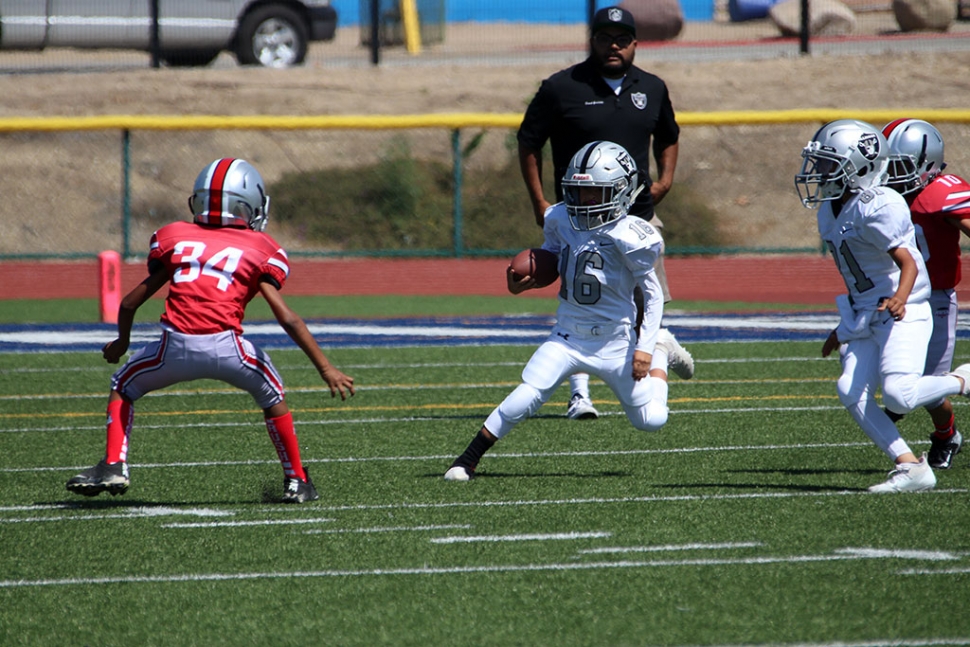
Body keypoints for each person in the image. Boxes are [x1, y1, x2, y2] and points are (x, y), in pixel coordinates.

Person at [65, 158, 355, 503]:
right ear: (250, 205)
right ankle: (297, 481)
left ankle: (114, 464)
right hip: (229, 348)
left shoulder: (175, 237)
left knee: (123, 386)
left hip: (172, 348)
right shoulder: (260, 248)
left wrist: (121, 343)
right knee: (273, 396)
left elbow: (128, 303)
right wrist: (326, 368)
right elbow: (288, 318)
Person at [444, 141, 692, 481]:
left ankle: (663, 351)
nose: (582, 201)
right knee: (526, 395)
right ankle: (465, 461)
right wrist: (525, 282)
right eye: (576, 192)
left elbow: (652, 295)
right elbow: (554, 261)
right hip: (568, 336)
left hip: (616, 342)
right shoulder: (561, 218)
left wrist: (646, 347)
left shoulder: (631, 234)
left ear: (621, 191)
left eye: (593, 193)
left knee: (651, 421)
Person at [517, 5, 691, 421]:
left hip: (637, 218)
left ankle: (659, 350)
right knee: (580, 299)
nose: (613, 46)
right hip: (577, 218)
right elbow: (528, 142)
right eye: (604, 38)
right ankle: (580, 394)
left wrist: (665, 180)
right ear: (591, 41)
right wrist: (539, 203)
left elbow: (668, 136)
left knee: (648, 304)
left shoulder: (651, 87)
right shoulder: (562, 87)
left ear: (635, 43)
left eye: (621, 39)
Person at [794, 119, 970, 493]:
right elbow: (859, 275)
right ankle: (910, 466)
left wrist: (900, 298)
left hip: (905, 308)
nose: (819, 172)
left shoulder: (880, 203)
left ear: (857, 165)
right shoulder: (831, 207)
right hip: (866, 312)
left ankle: (963, 380)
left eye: (828, 163)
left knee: (898, 394)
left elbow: (908, 262)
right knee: (849, 390)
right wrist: (842, 329)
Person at [881, 118, 968, 470]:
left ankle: (946, 435)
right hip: (897, 295)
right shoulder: (883, 198)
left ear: (926, 163)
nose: (890, 174)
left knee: (929, 384)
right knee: (891, 376)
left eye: (899, 166)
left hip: (935, 299)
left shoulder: (940, 193)